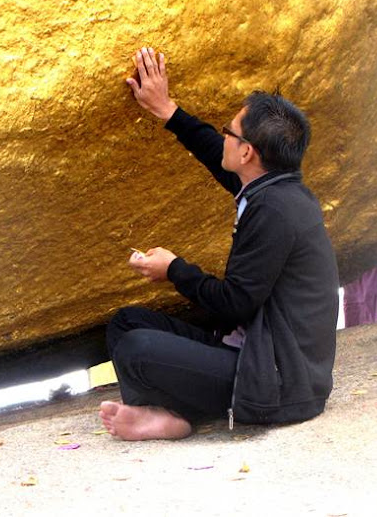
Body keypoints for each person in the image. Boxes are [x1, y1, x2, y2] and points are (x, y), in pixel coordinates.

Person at [99, 47, 339, 441]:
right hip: (249, 348)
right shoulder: (271, 186)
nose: (223, 135)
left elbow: (234, 302)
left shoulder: (275, 212)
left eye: (229, 131)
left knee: (137, 348)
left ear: (247, 152)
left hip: (275, 381)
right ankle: (162, 411)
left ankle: (169, 417)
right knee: (126, 324)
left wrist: (173, 269)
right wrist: (166, 110)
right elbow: (215, 153)